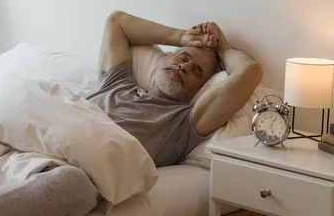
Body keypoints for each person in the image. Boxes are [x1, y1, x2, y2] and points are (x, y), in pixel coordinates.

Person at [87, 11, 262, 167]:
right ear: (168, 59)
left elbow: (250, 72)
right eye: (182, 57)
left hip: (85, 167)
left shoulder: (183, 125)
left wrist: (222, 47)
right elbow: (117, 22)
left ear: (200, 89)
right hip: (64, 132)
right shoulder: (118, 82)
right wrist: (181, 37)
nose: (184, 67)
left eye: (197, 71)